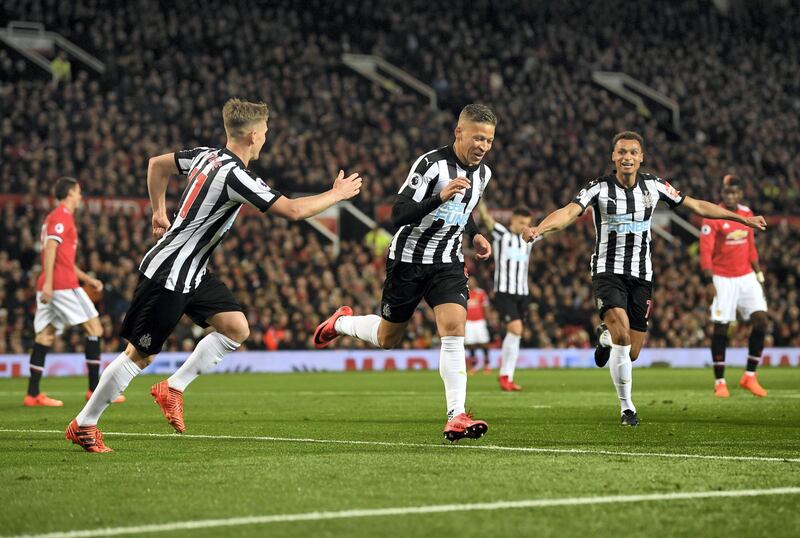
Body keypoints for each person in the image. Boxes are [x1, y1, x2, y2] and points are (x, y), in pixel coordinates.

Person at [66, 98, 362, 452]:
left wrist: (158, 211)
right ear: (253, 135)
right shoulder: (236, 175)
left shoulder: (206, 155)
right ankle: (84, 425)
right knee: (139, 356)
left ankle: (172, 388)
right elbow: (293, 211)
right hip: (170, 273)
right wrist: (337, 194)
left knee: (236, 328)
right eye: (265, 132)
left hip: (193, 271)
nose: (267, 137)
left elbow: (156, 165)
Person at [522, 131, 767, 426]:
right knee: (623, 336)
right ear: (613, 157)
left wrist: (742, 219)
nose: (627, 157)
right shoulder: (599, 188)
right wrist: (539, 229)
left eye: (633, 152)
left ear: (641, 158)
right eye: (622, 152)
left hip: (642, 275)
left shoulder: (654, 186)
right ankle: (627, 408)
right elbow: (569, 212)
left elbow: (698, 206)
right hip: (607, 271)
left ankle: (605, 337)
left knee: (632, 351)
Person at [313, 104, 495, 442]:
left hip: (447, 262)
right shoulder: (431, 165)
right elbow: (398, 213)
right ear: (459, 133)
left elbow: (463, 208)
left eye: (488, 140)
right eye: (477, 138)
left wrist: (475, 234)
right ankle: (340, 322)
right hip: (408, 261)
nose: (482, 146)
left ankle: (456, 415)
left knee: (454, 328)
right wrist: (439, 196)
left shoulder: (483, 174)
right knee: (388, 339)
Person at [25, 177, 123, 407]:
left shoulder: (53, 217)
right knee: (94, 328)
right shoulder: (61, 216)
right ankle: (94, 390)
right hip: (61, 285)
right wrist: (50, 282)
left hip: (55, 282)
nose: (80, 196)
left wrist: (88, 279)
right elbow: (50, 249)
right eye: (78, 192)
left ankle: (32, 394)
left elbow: (64, 259)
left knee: (45, 335)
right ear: (70, 192)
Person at [700, 175, 768, 398]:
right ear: (722, 194)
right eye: (726, 193)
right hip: (722, 278)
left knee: (761, 320)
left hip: (746, 275)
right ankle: (720, 381)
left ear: (740, 194)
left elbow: (750, 247)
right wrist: (709, 281)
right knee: (721, 327)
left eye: (734, 193)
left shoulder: (747, 213)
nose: (730, 196)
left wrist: (758, 273)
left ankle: (749, 376)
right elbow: (706, 251)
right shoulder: (713, 216)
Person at [477, 202, 534, 391]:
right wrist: (479, 199)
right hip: (504, 291)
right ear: (513, 221)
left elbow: (551, 230)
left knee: (516, 334)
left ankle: (507, 376)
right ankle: (504, 375)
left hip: (523, 293)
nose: (524, 227)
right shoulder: (502, 234)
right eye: (521, 223)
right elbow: (486, 220)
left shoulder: (529, 237)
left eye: (527, 223)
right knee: (516, 329)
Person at [464, 276, 491, 376]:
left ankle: (487, 365)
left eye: (473, 281)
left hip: (480, 321)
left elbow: (486, 306)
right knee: (471, 344)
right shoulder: (464, 292)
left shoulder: (481, 293)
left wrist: (488, 319)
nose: (471, 283)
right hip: (468, 322)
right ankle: (473, 366)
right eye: (469, 281)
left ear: (476, 282)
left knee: (484, 343)